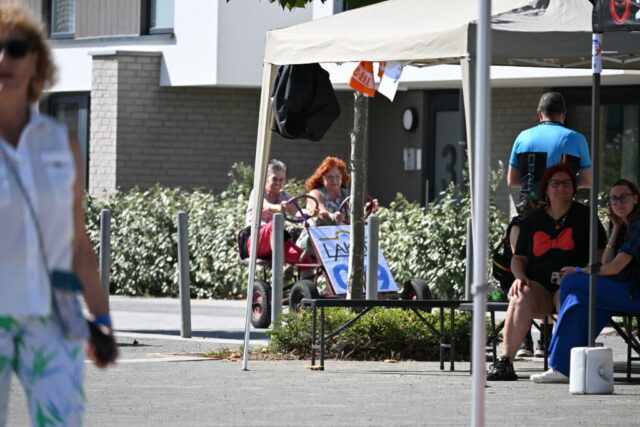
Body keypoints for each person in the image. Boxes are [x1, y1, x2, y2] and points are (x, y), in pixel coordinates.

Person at [0, 4, 117, 425]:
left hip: (52, 313)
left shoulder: (59, 142)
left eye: (16, 48)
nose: (3, 58)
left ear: (36, 60)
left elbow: (77, 241)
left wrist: (102, 318)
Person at [486, 163, 606, 381]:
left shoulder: (587, 217)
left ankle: (563, 364)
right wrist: (520, 278)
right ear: (546, 188)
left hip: (573, 282)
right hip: (539, 287)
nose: (561, 187)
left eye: (566, 183)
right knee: (520, 295)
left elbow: (600, 256)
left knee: (568, 296)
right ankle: (505, 362)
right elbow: (518, 258)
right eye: (555, 183)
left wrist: (581, 272)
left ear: (573, 188)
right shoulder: (532, 220)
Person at [506, 91, 593, 358]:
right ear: (564, 114)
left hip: (527, 214)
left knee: (523, 273)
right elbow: (587, 180)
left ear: (538, 114)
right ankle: (548, 340)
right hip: (562, 212)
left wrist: (537, 183)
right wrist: (562, 185)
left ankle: (524, 342)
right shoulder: (576, 138)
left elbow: (512, 180)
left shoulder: (523, 136)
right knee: (558, 269)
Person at [531, 179, 640, 383]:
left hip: (633, 293)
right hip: (621, 292)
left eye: (624, 197)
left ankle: (557, 358)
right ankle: (562, 368)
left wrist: (578, 270)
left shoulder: (638, 227)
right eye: (614, 199)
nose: (618, 202)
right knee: (579, 303)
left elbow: (614, 268)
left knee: (571, 281)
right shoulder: (625, 226)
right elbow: (605, 263)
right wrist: (616, 230)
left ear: (635, 199)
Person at [296, 156, 378, 256]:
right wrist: (333, 216)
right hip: (315, 239)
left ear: (342, 178)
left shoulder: (348, 194)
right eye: (329, 177)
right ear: (322, 179)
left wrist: (367, 209)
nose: (334, 180)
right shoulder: (315, 193)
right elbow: (321, 211)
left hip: (342, 242)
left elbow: (356, 214)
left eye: (337, 176)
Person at [245, 159, 315, 264]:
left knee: (305, 259)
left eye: (281, 180)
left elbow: (297, 212)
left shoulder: (284, 196)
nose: (278, 183)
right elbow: (264, 206)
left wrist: (311, 212)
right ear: (266, 179)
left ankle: (296, 273)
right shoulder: (258, 192)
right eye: (274, 179)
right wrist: (278, 208)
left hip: (277, 240)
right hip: (255, 241)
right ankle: (280, 266)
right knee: (274, 225)